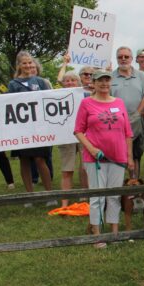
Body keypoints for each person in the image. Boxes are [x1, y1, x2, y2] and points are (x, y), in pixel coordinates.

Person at [73, 70, 134, 248]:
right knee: (98, 197)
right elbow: (78, 130)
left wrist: (129, 157)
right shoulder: (86, 103)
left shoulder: (119, 102)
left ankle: (114, 232)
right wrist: (91, 148)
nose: (104, 84)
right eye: (100, 81)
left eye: (107, 80)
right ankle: (97, 235)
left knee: (114, 195)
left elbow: (128, 133)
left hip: (118, 156)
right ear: (93, 83)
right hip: (96, 159)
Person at [6, 51, 53, 197]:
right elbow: (10, 105)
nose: (27, 65)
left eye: (30, 62)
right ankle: (29, 195)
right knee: (24, 160)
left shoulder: (40, 82)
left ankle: (50, 194)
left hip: (39, 128)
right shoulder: (13, 84)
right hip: (22, 129)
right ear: (19, 65)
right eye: (24, 63)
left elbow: (49, 100)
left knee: (40, 159)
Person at [111, 46, 144, 179]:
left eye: (126, 56)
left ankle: (134, 182)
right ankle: (119, 183)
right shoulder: (110, 77)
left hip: (136, 120)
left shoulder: (141, 75)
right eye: (120, 57)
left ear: (132, 58)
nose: (123, 59)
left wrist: (137, 114)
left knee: (135, 154)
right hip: (115, 122)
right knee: (117, 153)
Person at [56, 71, 89, 207]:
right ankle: (65, 202)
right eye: (67, 80)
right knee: (67, 169)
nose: (70, 82)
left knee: (86, 166)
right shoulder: (57, 97)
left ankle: (86, 196)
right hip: (66, 136)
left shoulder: (86, 95)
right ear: (62, 83)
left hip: (84, 135)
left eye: (73, 80)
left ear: (78, 82)